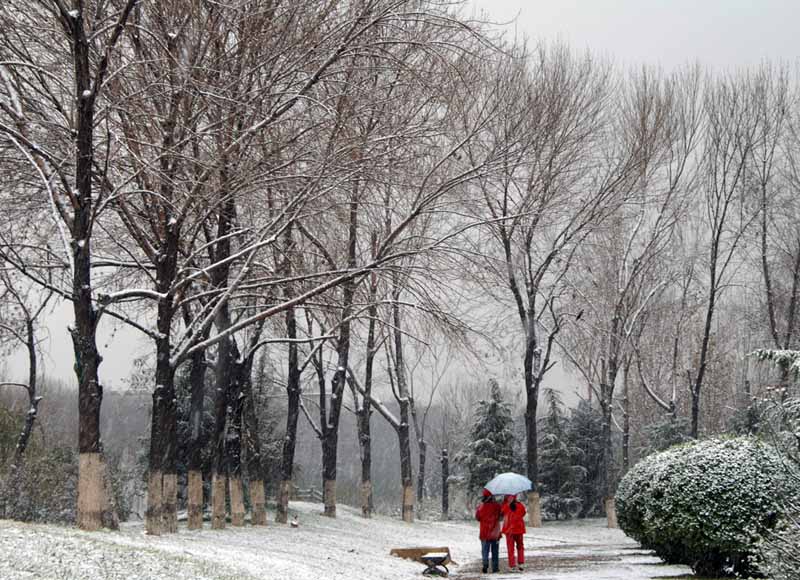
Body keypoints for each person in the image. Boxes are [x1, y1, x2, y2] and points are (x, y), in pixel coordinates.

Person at [475, 489, 502, 573]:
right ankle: (495, 567)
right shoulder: (497, 506)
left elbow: (478, 517)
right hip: (495, 532)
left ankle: (485, 564)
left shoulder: (481, 506)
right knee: (495, 551)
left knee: (485, 550)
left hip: (484, 532)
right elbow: (501, 516)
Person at [501, 494, 527, 571]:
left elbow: (501, 513)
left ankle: (512, 565)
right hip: (519, 529)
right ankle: (521, 563)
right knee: (520, 546)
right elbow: (523, 513)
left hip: (509, 530)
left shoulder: (505, 506)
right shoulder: (520, 505)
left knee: (510, 548)